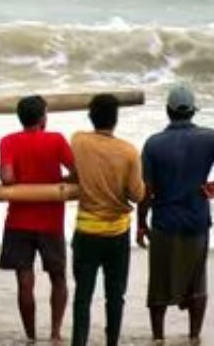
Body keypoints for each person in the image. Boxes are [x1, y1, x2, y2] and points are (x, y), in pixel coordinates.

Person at [137, 86, 214, 344]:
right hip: (196, 220)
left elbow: (147, 190)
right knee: (197, 283)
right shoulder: (209, 138)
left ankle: (158, 338)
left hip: (164, 223)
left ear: (168, 111)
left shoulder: (153, 144)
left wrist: (141, 223)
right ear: (192, 112)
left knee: (159, 285)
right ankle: (193, 337)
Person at [0, 95, 75, 342]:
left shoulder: (8, 141)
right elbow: (78, 172)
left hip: (18, 220)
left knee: (24, 282)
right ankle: (55, 333)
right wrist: (59, 183)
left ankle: (30, 337)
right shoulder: (56, 140)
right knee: (58, 277)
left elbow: (7, 178)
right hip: (50, 221)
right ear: (43, 117)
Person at [69, 93, 146, 346]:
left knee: (83, 296)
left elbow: (74, 171)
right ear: (116, 120)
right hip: (116, 233)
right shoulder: (128, 152)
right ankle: (111, 342)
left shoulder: (78, 141)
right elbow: (137, 195)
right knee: (115, 296)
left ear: (91, 117)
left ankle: (78, 342)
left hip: (87, 230)